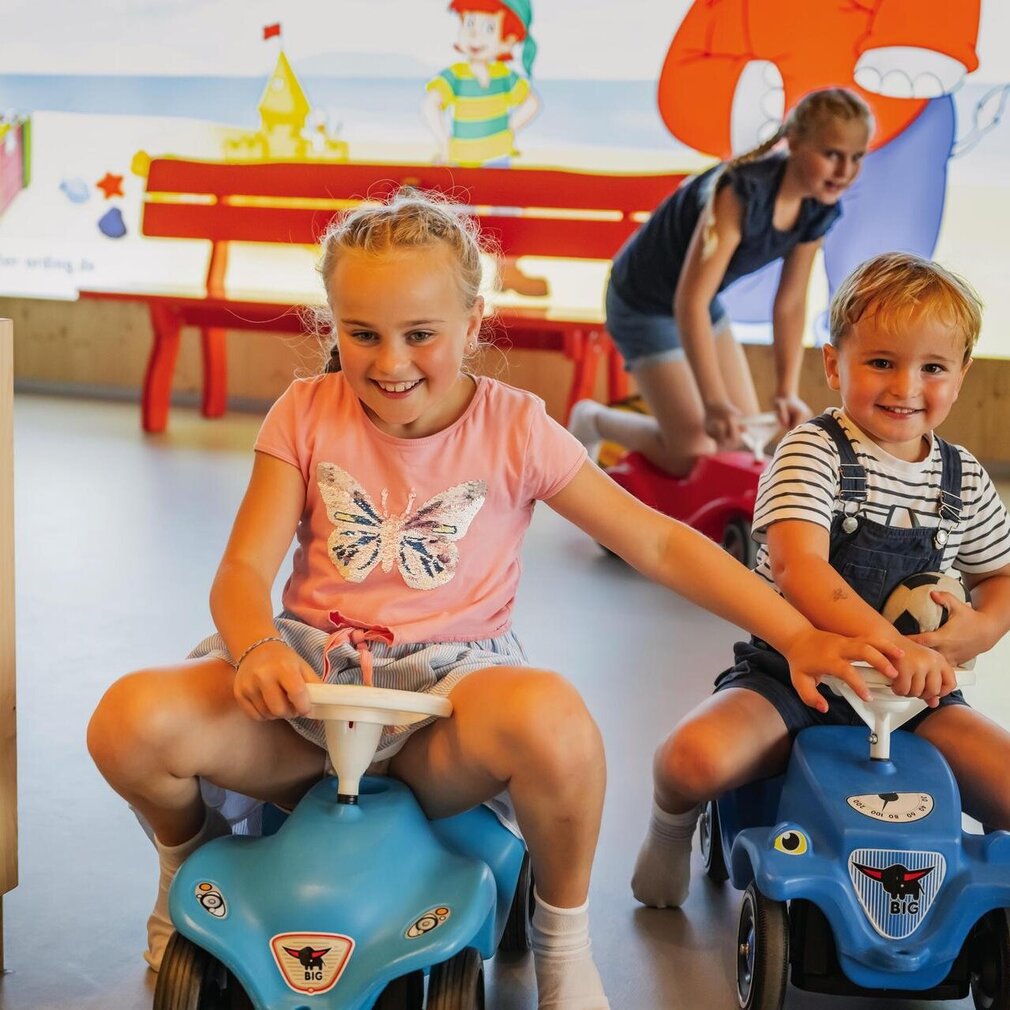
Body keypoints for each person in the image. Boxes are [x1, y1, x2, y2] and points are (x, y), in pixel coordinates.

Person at [87, 192, 903, 1010]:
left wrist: (795, 635)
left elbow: (656, 542)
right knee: (128, 720)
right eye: (362, 334)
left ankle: (562, 942)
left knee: (557, 723)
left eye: (420, 334)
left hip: (448, 704)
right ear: (332, 322)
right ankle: (186, 864)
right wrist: (258, 646)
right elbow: (240, 570)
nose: (390, 362)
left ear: (473, 321)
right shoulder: (305, 412)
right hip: (307, 693)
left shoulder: (515, 427)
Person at [632, 251, 1010, 911]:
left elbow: (999, 574)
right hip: (794, 679)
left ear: (961, 375)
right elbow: (799, 567)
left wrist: (982, 627)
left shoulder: (963, 476)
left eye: (932, 368)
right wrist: (895, 647)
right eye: (881, 362)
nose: (906, 387)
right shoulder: (813, 450)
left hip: (914, 698)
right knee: (691, 760)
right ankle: (669, 831)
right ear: (835, 365)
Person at [568, 87, 872, 477]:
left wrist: (785, 390)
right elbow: (689, 302)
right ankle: (593, 419)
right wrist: (713, 402)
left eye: (856, 157)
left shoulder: (817, 209)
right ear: (794, 141)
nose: (844, 170)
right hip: (641, 303)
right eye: (831, 154)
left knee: (739, 439)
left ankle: (674, 436)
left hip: (698, 301)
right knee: (694, 452)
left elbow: (790, 302)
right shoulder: (739, 191)